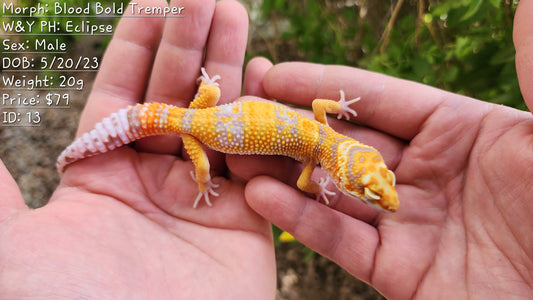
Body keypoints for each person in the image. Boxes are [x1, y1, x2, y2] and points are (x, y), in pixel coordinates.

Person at [1, 0, 532, 298]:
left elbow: (323, 112)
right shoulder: (317, 154)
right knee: (193, 160)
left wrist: (326, 140)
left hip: (209, 111)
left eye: (376, 188)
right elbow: (307, 170)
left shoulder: (325, 140)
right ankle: (121, 156)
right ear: (350, 167)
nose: (381, 192)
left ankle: (102, 147)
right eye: (377, 186)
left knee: (184, 120)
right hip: (200, 128)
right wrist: (204, 177)